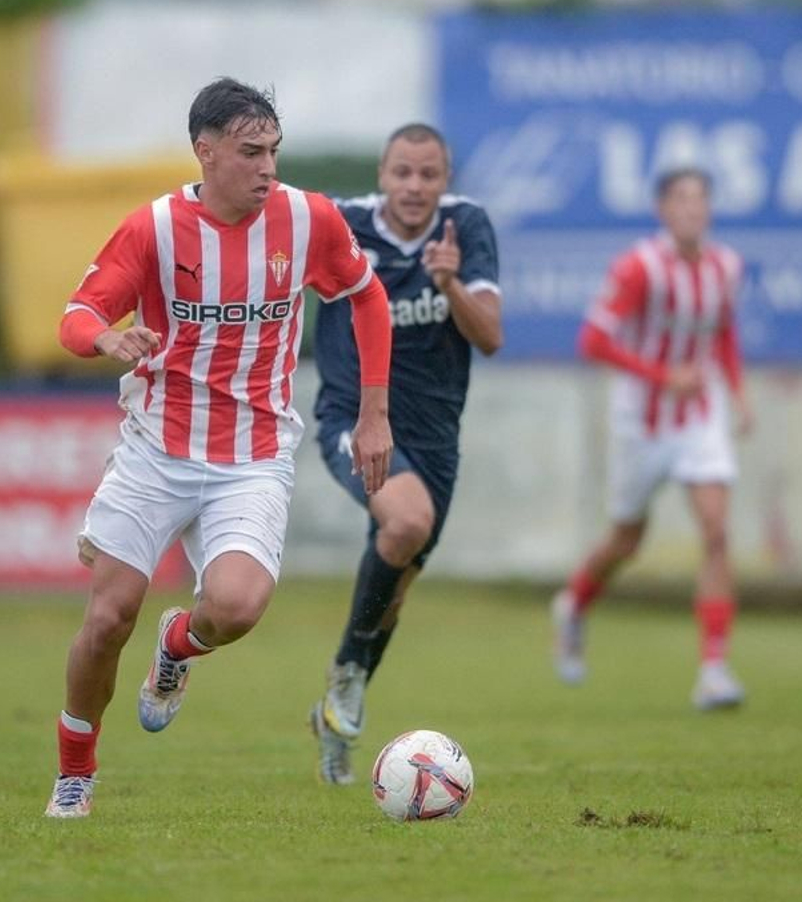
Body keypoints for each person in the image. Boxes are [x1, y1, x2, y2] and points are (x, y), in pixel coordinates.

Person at [45, 78, 394, 819]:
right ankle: (75, 772)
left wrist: (374, 414)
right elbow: (77, 315)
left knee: (235, 608)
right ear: (205, 153)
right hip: (156, 450)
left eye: (273, 151)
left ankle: (178, 645)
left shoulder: (308, 219)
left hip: (253, 454)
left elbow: (367, 295)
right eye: (250, 152)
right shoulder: (155, 229)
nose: (267, 167)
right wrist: (105, 337)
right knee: (108, 619)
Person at [307, 123, 502, 784]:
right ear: (382, 175)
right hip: (355, 420)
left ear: (445, 180)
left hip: (435, 438)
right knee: (409, 521)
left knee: (393, 594)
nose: (415, 186)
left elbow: (490, 336)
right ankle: (347, 675)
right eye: (402, 172)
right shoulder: (342, 223)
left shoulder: (465, 227)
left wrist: (450, 284)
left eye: (428, 174)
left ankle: (337, 709)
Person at [550, 166, 754, 711]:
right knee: (626, 540)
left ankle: (714, 670)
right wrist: (663, 377)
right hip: (641, 422)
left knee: (716, 531)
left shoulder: (726, 266)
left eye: (700, 199)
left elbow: (724, 333)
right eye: (680, 199)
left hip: (700, 417)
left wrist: (739, 395)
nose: (691, 208)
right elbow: (593, 340)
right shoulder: (639, 267)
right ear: (662, 209)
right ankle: (573, 605)